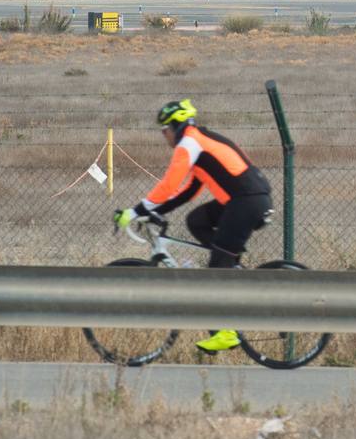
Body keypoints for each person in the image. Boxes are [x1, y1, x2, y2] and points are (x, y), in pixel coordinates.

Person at [113, 99, 273, 353]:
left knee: (218, 264)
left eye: (164, 130)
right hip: (244, 200)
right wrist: (156, 212)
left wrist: (136, 211)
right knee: (196, 221)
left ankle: (227, 331)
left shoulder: (189, 143)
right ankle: (230, 264)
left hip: (246, 202)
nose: (164, 136)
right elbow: (188, 192)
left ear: (175, 126)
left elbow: (168, 185)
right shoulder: (198, 142)